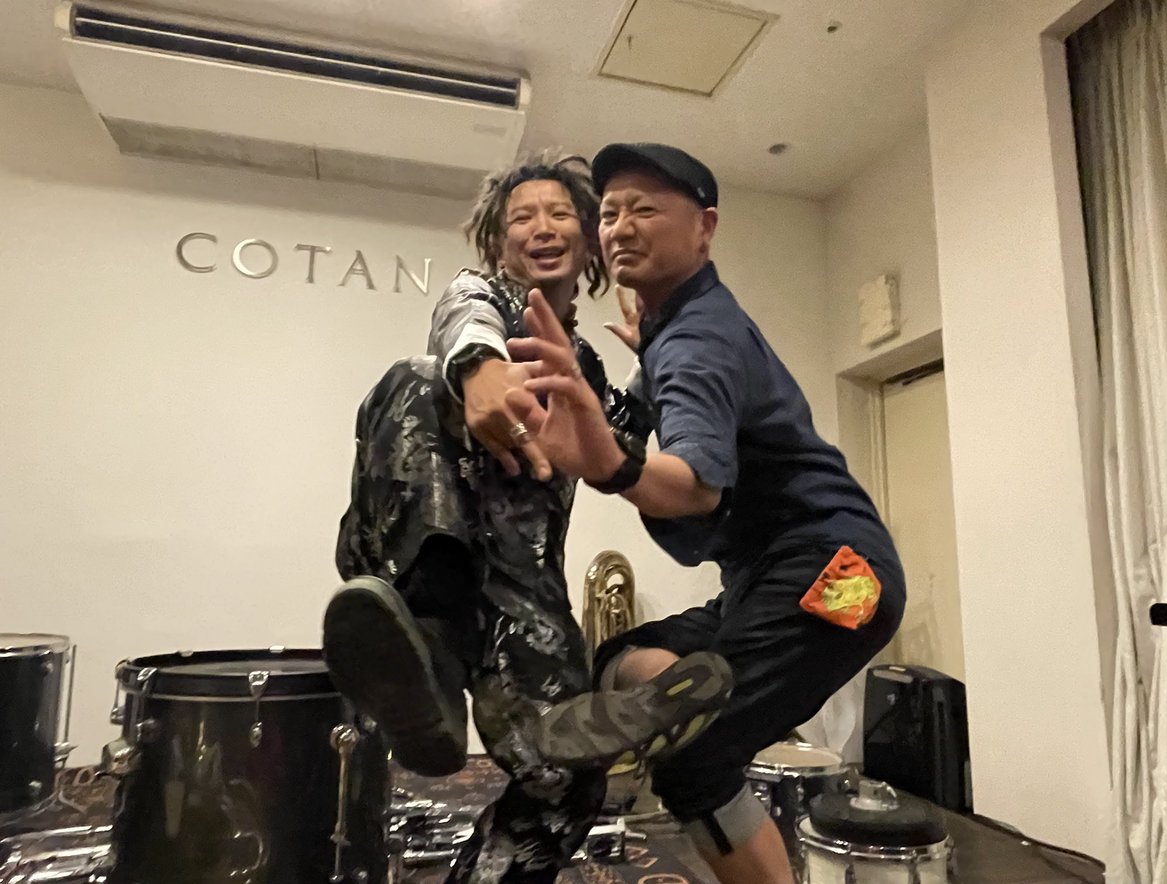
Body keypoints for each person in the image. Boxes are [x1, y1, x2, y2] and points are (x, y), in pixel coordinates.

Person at [322, 150, 732, 884]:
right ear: (498, 240)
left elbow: (620, 450)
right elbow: (464, 324)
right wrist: (480, 370)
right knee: (415, 379)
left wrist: (655, 359)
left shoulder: (585, 365)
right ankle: (430, 636)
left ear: (587, 238)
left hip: (522, 586)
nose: (541, 227)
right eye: (522, 217)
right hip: (426, 556)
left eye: (559, 213)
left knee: (566, 784)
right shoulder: (481, 296)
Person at [504, 143, 907, 884]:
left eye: (645, 209)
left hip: (837, 575)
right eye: (610, 213)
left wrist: (611, 464)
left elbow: (694, 486)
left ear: (705, 228)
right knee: (616, 658)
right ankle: (692, 706)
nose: (620, 227)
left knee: (698, 761)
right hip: (770, 577)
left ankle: (698, 724)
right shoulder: (679, 329)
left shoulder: (696, 339)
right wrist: (643, 365)